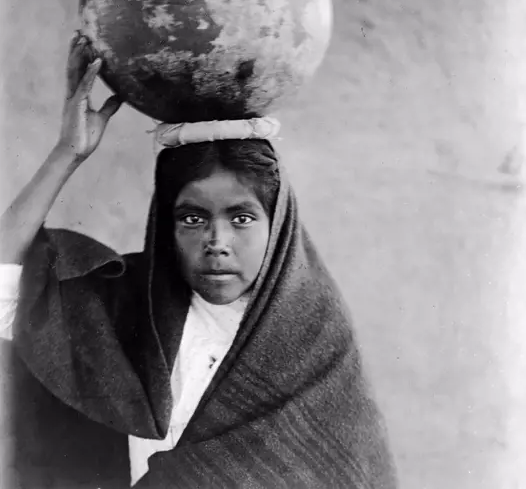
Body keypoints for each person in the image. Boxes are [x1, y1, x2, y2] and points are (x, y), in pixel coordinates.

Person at [0, 34, 398, 488]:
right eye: (192, 218)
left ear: (279, 224)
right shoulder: (126, 312)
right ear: (164, 227)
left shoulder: (314, 340)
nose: (217, 241)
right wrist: (66, 154)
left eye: (242, 218)